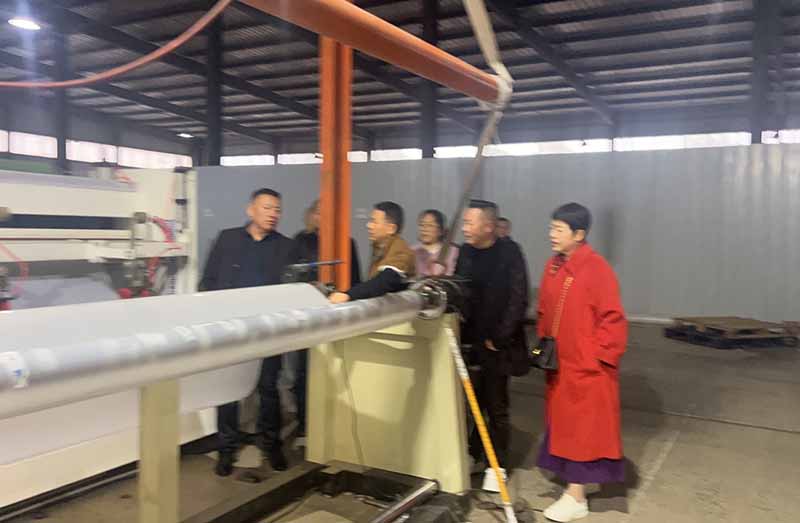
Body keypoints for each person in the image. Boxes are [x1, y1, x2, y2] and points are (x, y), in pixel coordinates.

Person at [536, 203, 627, 522]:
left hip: (586, 369)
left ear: (579, 234)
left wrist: (598, 357)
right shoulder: (555, 265)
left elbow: (613, 318)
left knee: (582, 432)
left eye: (558, 229)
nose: (551, 234)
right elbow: (545, 309)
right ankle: (575, 486)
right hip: (561, 364)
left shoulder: (596, 268)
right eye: (551, 227)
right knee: (566, 427)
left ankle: (576, 497)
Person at [199, 188, 297, 477]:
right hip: (230, 328)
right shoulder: (228, 239)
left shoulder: (286, 247)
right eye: (267, 208)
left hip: (267, 330)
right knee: (227, 390)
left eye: (277, 209)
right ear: (250, 210)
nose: (273, 214)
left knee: (268, 388)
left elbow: (292, 290)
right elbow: (208, 280)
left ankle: (271, 444)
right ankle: (226, 448)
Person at [455, 200, 528, 491]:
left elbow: (518, 299)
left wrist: (499, 337)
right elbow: (460, 291)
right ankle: (474, 454)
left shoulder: (510, 253)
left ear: (488, 226)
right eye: (464, 223)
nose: (464, 228)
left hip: (499, 345)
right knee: (473, 403)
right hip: (470, 343)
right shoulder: (465, 252)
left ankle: (497, 466)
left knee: (496, 406)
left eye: (469, 223)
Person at [291, 199, 362, 444]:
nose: (325, 217)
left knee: (334, 370)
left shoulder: (347, 243)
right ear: (312, 215)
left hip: (335, 315)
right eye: (320, 213)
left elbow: (355, 281)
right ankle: (304, 426)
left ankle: (332, 426)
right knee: (303, 371)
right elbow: (291, 276)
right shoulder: (301, 241)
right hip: (307, 315)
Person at [329, 201, 415, 303]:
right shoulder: (379, 246)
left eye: (374, 222)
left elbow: (384, 281)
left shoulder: (401, 250)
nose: (368, 225)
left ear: (391, 228)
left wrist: (349, 295)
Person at [412, 209, 459, 276]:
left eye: (430, 225)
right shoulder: (412, 251)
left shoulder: (452, 251)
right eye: (422, 225)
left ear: (440, 231)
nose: (424, 229)